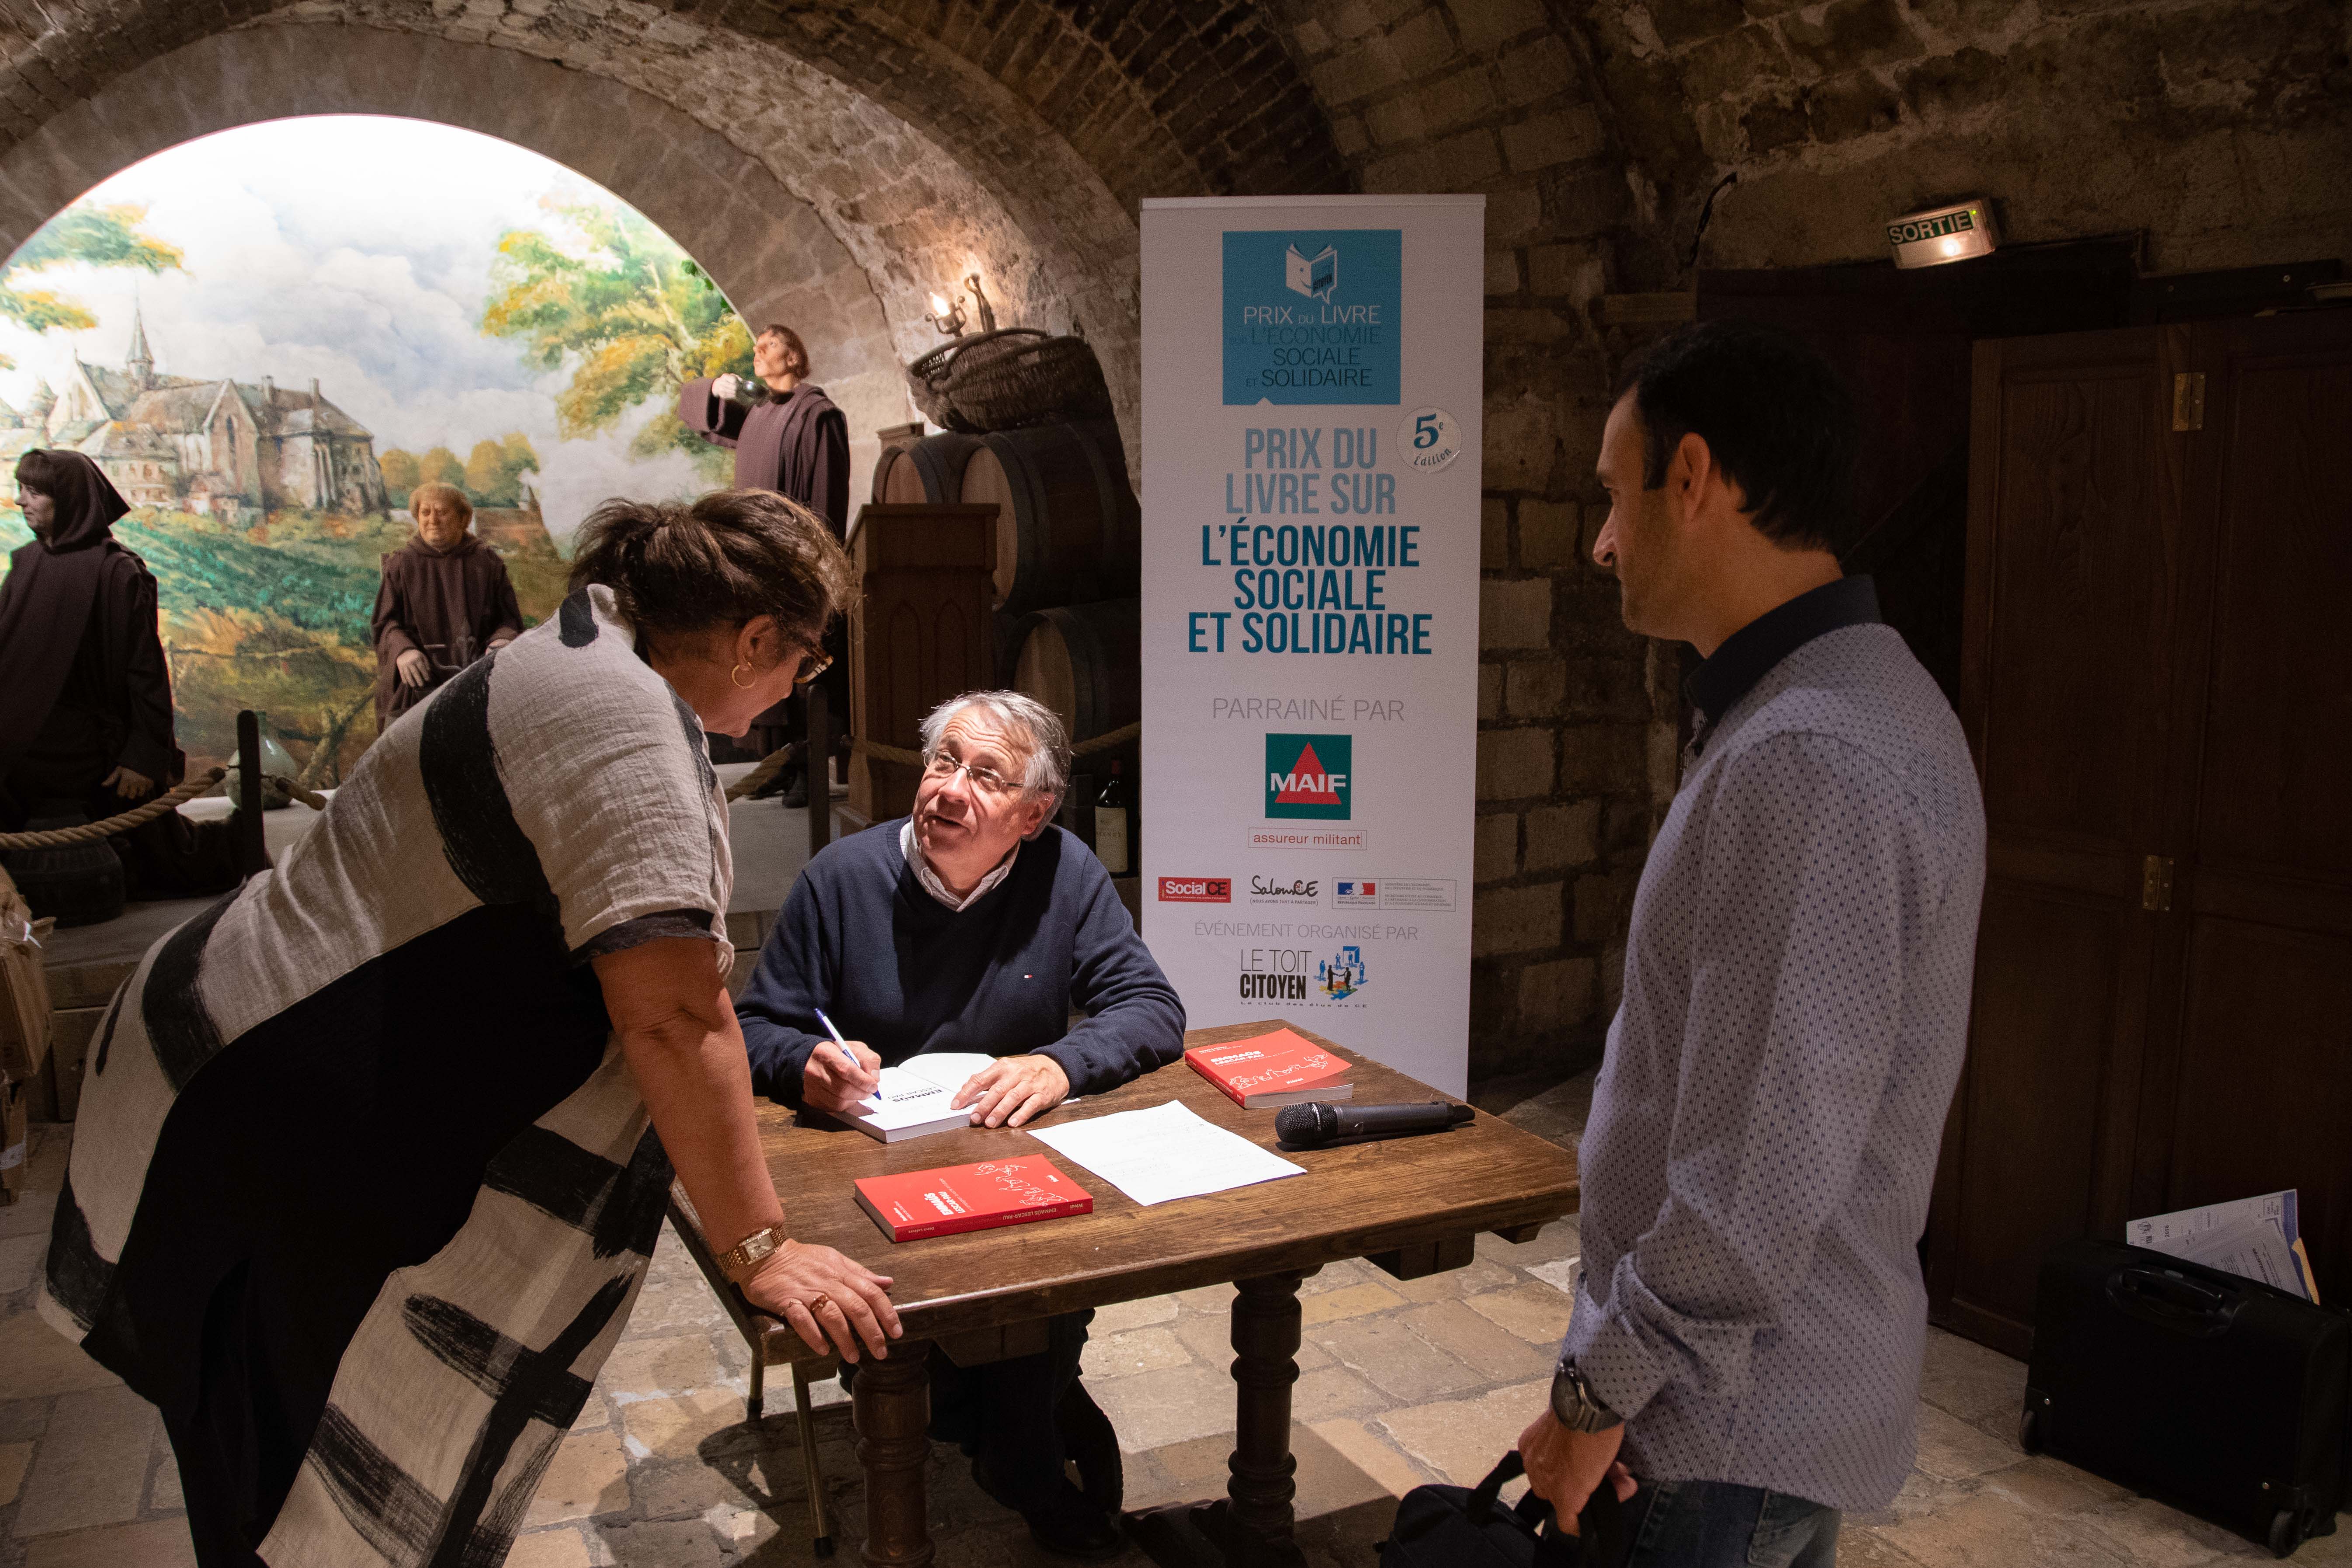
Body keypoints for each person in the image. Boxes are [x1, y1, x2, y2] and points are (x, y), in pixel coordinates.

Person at [40, 488, 903, 1568]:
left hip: (231, 1050)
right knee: (280, 1461)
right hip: (276, 1109)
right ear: (755, 637)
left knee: (246, 1429)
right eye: (804, 664)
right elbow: (677, 1014)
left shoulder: (581, 642)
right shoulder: (627, 725)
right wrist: (762, 1248)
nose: (792, 691)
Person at [1517, 321, 1987, 1565]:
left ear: (1693, 478)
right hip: (1741, 1410)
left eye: (1615, 494)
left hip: (1715, 1425)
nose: (1601, 540)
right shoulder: (1850, 695)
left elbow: (1756, 1175)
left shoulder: (1809, 756)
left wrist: (1591, 1394)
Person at [735, 690, 1185, 1561]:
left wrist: (1060, 1064)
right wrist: (805, 1066)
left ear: (1033, 814)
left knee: (1053, 1271)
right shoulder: (843, 878)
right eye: (944, 760)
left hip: (1011, 1159)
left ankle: (1010, 1438)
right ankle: (1024, 1447)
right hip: (871, 1168)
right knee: (960, 1341)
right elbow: (755, 1027)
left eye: (986, 776)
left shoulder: (1065, 872)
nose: (948, 789)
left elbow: (1151, 1006)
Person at [0, 448, 231, 896]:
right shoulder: (26, 563)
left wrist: (143, 757)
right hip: (33, 729)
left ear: (67, 499)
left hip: (88, 743)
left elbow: (145, 673)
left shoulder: (117, 572)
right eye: (20, 490)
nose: (20, 501)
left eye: (33, 492)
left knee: (172, 863)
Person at [680, 323, 851, 803]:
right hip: (755, 554)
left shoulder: (817, 415)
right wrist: (715, 388)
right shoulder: (758, 411)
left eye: (769, 344)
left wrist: (813, 561)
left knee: (795, 653)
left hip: (793, 557)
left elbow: (825, 496)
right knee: (758, 652)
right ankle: (776, 763)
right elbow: (699, 412)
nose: (757, 352)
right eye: (756, 346)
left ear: (795, 356)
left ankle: (809, 769)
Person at [372, 480, 524, 732]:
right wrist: (403, 651)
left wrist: (501, 641)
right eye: (425, 512)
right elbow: (384, 624)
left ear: (463, 518)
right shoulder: (400, 565)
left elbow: (509, 621)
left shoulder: (486, 563)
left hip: (477, 679)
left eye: (442, 512)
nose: (433, 520)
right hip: (418, 685)